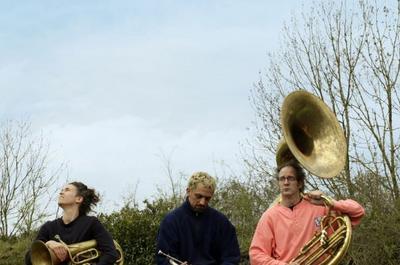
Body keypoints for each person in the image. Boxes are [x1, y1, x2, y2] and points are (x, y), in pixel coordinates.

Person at [249, 160, 365, 265]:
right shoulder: (269, 216)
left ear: (299, 183)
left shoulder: (320, 206)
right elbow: (256, 255)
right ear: (278, 183)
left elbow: (358, 211)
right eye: (282, 179)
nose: (286, 182)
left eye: (290, 178)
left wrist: (330, 202)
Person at [156, 171, 241, 265]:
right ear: (188, 191)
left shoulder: (221, 222)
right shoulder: (171, 222)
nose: (202, 202)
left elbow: (231, 257)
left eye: (207, 198)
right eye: (198, 196)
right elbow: (164, 258)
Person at [25, 181, 119, 265]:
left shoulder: (91, 223)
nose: (61, 192)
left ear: (78, 199)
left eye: (67, 190)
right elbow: (30, 258)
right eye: (62, 190)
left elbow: (111, 253)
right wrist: (49, 243)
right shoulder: (48, 227)